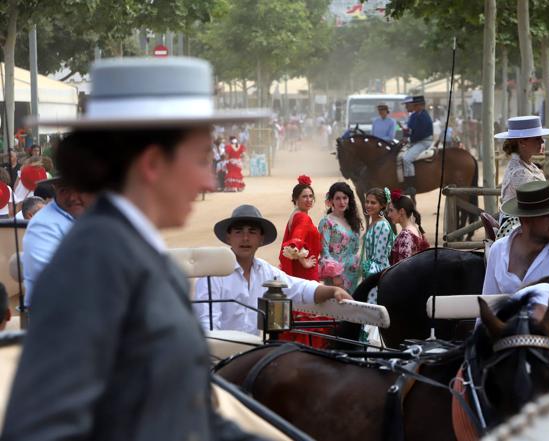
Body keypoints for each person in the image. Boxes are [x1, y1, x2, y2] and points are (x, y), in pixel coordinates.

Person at [2, 57, 269, 441]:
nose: (210, 179)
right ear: (153, 163)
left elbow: (183, 413)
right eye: (200, 160)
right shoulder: (92, 265)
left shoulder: (131, 252)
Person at [193, 204, 352, 335]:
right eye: (238, 232)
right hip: (222, 359)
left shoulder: (266, 271)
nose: (245, 238)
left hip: (253, 356)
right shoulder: (213, 274)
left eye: (252, 232)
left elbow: (300, 289)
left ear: (261, 239)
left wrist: (332, 291)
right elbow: (207, 327)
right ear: (229, 237)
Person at [277, 175, 332, 348]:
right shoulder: (303, 218)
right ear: (295, 199)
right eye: (304, 197)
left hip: (303, 273)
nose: (308, 200)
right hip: (307, 274)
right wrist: (303, 261)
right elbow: (295, 241)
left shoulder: (295, 215)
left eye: (310, 196)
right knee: (310, 312)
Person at [22, 177, 93, 306]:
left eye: (79, 189)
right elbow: (53, 281)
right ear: (55, 189)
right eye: (65, 190)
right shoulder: (43, 225)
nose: (73, 197)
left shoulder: (97, 216)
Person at [318, 182, 362, 292]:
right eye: (337, 198)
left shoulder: (353, 221)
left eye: (345, 198)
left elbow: (355, 250)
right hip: (336, 277)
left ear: (349, 199)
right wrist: (335, 275)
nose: (342, 202)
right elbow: (324, 251)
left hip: (354, 274)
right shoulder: (327, 222)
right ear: (331, 200)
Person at [360, 187, 395, 301]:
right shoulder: (373, 221)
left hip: (377, 276)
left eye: (373, 203)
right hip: (370, 273)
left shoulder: (382, 226)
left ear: (382, 205)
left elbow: (379, 259)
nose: (368, 205)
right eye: (367, 202)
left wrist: (367, 276)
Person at [387, 189, 429, 264]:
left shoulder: (405, 235)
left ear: (401, 211)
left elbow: (403, 268)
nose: (388, 215)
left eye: (391, 210)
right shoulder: (415, 229)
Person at [402, 95, 433, 197]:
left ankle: (411, 186)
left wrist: (409, 139)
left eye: (416, 105)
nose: (414, 107)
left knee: (407, 159)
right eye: (414, 105)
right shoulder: (414, 115)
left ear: (421, 105)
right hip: (416, 141)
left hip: (424, 141)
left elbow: (421, 133)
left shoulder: (424, 116)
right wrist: (406, 134)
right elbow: (411, 129)